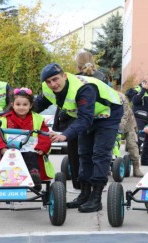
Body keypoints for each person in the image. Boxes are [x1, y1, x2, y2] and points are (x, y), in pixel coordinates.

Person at [36, 63, 123, 213]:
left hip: (108, 114)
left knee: (100, 154)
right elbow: (36, 106)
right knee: (83, 154)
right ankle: (84, 194)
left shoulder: (83, 88)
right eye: (48, 81)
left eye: (55, 79)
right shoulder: (47, 88)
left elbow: (85, 119)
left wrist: (65, 134)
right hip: (85, 116)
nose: (52, 84)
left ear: (64, 76)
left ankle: (96, 199)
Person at [51, 50, 107, 190]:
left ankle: (79, 184)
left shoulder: (75, 80)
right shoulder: (102, 78)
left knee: (76, 155)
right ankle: (94, 187)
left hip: (75, 121)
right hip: (98, 120)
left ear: (77, 66)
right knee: (95, 155)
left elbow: (66, 104)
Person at [0, 88, 54, 191]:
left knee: (31, 156)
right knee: (6, 160)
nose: (21, 107)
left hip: (31, 152)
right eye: (18, 104)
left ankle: (34, 177)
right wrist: (2, 148)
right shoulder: (4, 119)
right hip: (9, 151)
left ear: (30, 105)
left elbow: (45, 135)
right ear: (12, 104)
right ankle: (1, 181)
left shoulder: (37, 119)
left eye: (25, 105)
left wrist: (42, 147)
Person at [126, 74, 148, 166]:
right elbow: (135, 101)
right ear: (144, 82)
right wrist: (143, 90)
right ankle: (131, 160)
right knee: (139, 138)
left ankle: (145, 160)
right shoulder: (136, 89)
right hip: (138, 118)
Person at [116, 91, 143, 177]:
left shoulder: (122, 98)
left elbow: (125, 115)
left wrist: (119, 128)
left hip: (128, 125)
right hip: (113, 123)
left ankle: (136, 168)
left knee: (132, 146)